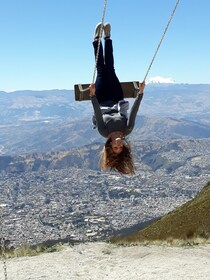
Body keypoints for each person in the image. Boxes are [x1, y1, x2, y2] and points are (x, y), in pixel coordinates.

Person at [89, 22, 145, 175]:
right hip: (116, 98)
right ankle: (107, 38)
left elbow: (98, 114)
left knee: (101, 71)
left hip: (101, 98)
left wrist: (93, 96)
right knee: (111, 69)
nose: (118, 146)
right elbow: (133, 112)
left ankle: (96, 41)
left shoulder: (103, 131)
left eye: (115, 147)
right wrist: (140, 93)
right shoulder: (127, 129)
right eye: (120, 148)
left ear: (110, 145)